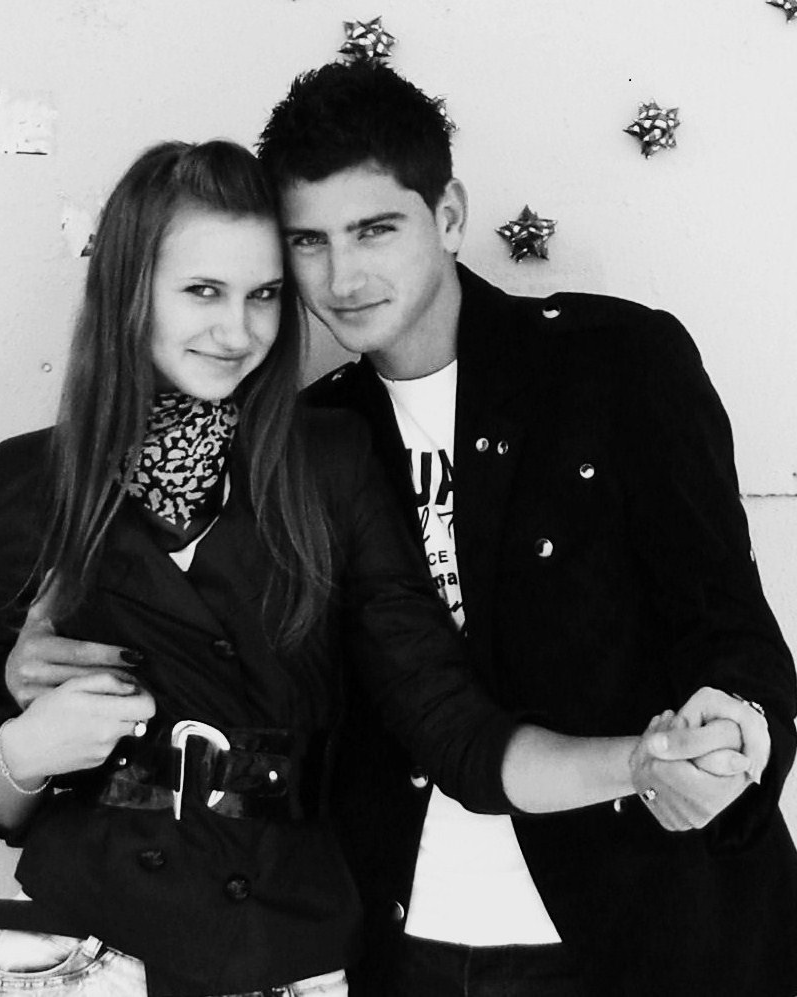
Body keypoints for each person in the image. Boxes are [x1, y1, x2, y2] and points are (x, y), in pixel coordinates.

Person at [256, 61, 797, 996]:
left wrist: (734, 734)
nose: (342, 276)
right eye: (309, 241)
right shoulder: (311, 437)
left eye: (375, 228)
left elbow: (730, 626)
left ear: (449, 216)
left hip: (641, 928)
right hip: (400, 942)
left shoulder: (616, 363)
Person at [0, 139, 535, 997]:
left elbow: (434, 702)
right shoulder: (27, 484)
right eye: (203, 291)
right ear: (128, 289)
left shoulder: (327, 461)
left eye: (263, 294)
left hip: (285, 943)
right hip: (85, 944)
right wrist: (28, 747)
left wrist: (632, 761)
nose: (238, 331)